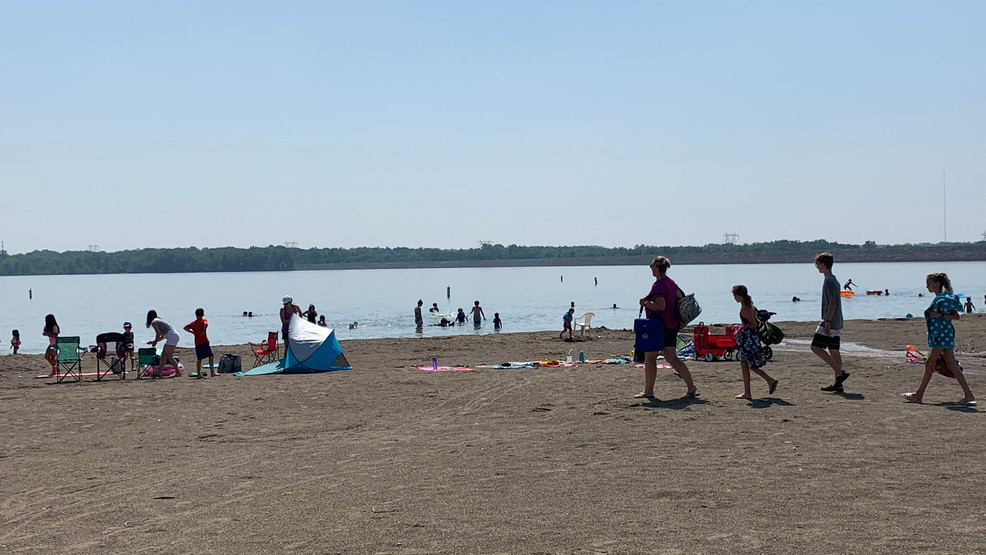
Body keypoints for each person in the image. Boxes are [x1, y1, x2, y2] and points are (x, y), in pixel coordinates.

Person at [901, 273, 976, 405]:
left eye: (929, 283)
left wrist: (939, 314)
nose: (927, 286)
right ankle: (968, 395)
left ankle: (918, 395)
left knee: (930, 363)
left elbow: (955, 316)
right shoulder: (941, 298)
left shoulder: (943, 299)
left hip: (942, 336)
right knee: (951, 364)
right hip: (945, 335)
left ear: (937, 284)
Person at [636, 256, 698, 399]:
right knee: (672, 357)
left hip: (659, 325)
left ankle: (649, 391)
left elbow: (660, 305)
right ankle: (691, 386)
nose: (651, 269)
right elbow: (681, 297)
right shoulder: (671, 283)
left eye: (651, 266)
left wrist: (645, 304)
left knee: (650, 358)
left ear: (656, 268)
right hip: (672, 324)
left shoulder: (658, 285)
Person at [731, 285, 778, 399]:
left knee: (751, 364)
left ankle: (769, 380)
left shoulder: (745, 309)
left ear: (739, 296)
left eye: (735, 295)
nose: (734, 298)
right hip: (752, 339)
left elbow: (753, 324)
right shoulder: (750, 306)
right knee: (745, 364)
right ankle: (747, 392)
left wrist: (740, 329)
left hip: (749, 340)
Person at [812, 252, 849, 393]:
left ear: (824, 264)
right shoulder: (834, 279)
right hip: (837, 319)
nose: (817, 267)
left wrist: (827, 321)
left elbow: (832, 302)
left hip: (830, 320)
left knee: (815, 347)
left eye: (818, 264)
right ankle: (838, 383)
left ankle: (840, 372)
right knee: (834, 350)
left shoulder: (829, 281)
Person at [146, 310, 181, 377]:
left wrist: (155, 342)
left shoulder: (154, 322)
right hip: (174, 335)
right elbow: (162, 336)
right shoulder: (159, 320)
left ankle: (177, 372)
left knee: (169, 356)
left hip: (172, 336)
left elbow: (158, 334)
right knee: (164, 355)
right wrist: (154, 341)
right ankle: (159, 372)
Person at [183, 308, 214, 378]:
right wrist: (203, 330)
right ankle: (212, 372)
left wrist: (192, 332)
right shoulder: (203, 320)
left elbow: (185, 328)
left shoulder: (193, 323)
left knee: (199, 359)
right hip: (204, 341)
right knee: (211, 356)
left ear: (196, 315)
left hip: (197, 343)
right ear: (203, 314)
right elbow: (206, 324)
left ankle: (199, 374)